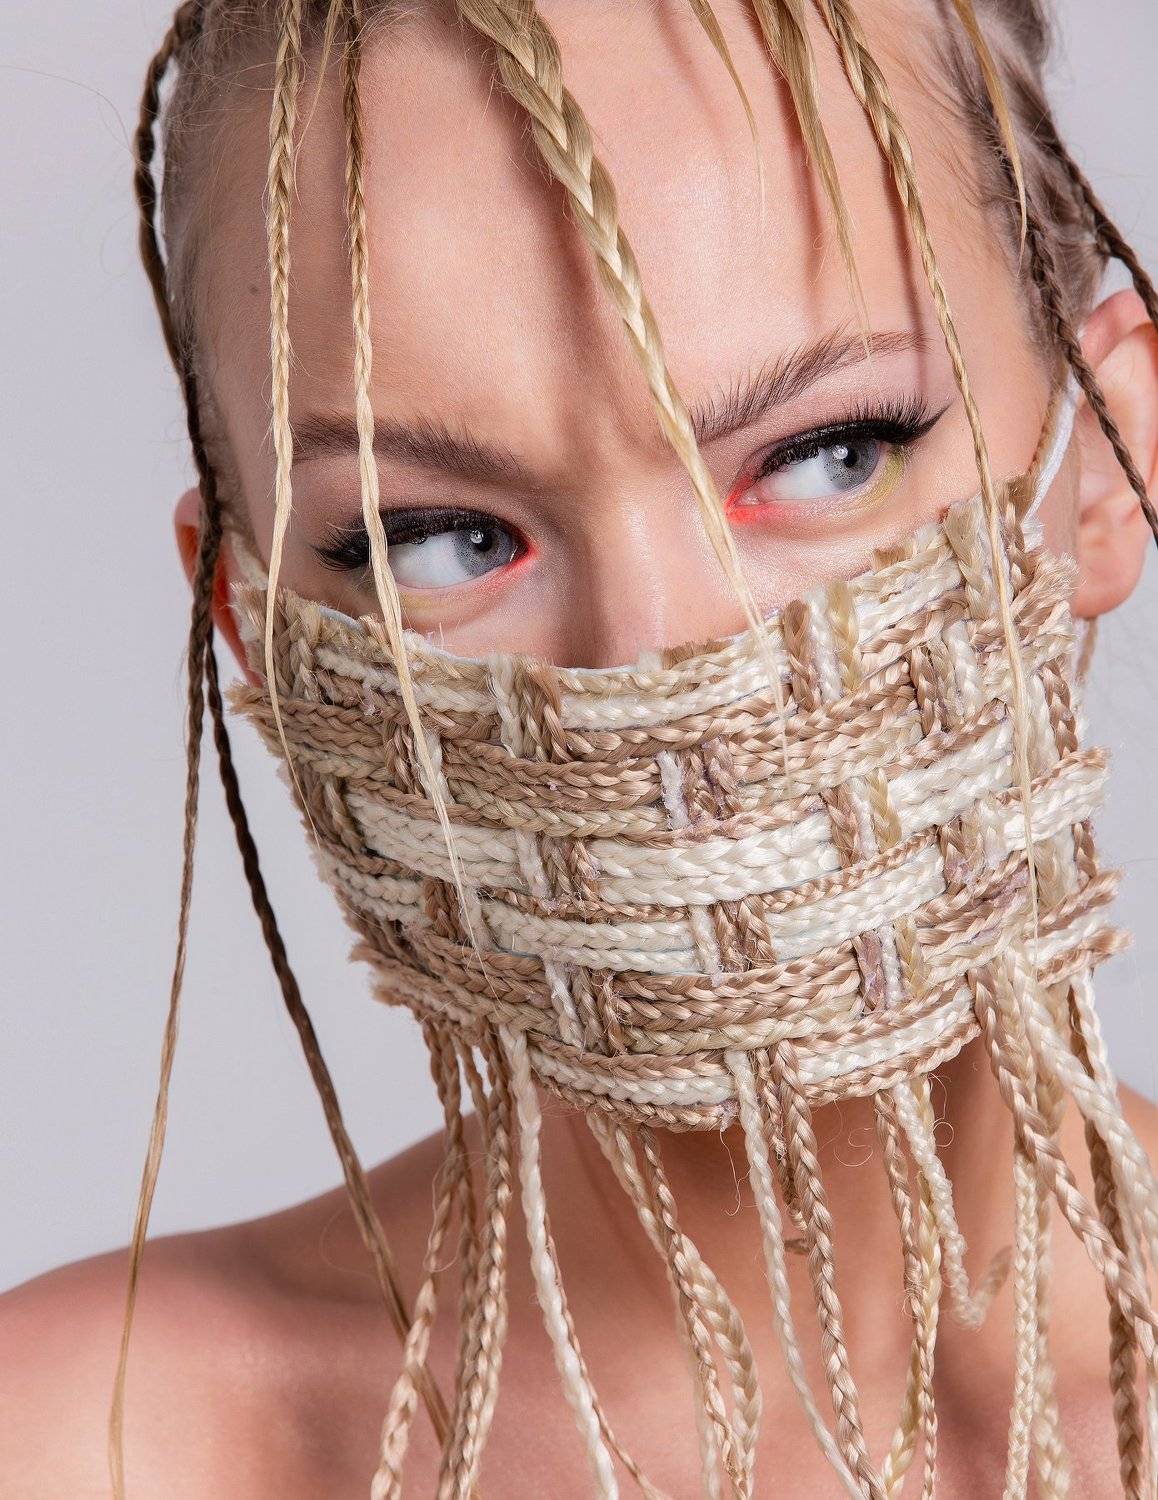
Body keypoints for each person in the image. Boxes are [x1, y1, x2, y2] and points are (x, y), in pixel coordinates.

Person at [5, 0, 1158, 1495]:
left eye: (830, 455)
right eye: (439, 539)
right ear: (257, 634)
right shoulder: (86, 1446)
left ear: (1106, 462)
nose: (651, 659)